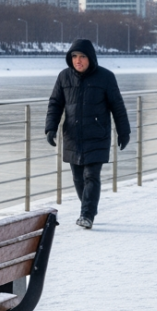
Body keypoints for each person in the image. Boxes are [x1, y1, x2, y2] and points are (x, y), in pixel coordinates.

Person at [44, 38, 130, 230]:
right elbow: (55, 104)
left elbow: (118, 106)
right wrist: (50, 128)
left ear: (90, 58)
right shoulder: (64, 77)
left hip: (97, 135)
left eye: (82, 56)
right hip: (72, 136)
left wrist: (124, 132)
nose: (78, 61)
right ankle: (89, 207)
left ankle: (87, 214)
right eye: (74, 56)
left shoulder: (105, 77)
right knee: (77, 178)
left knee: (91, 176)